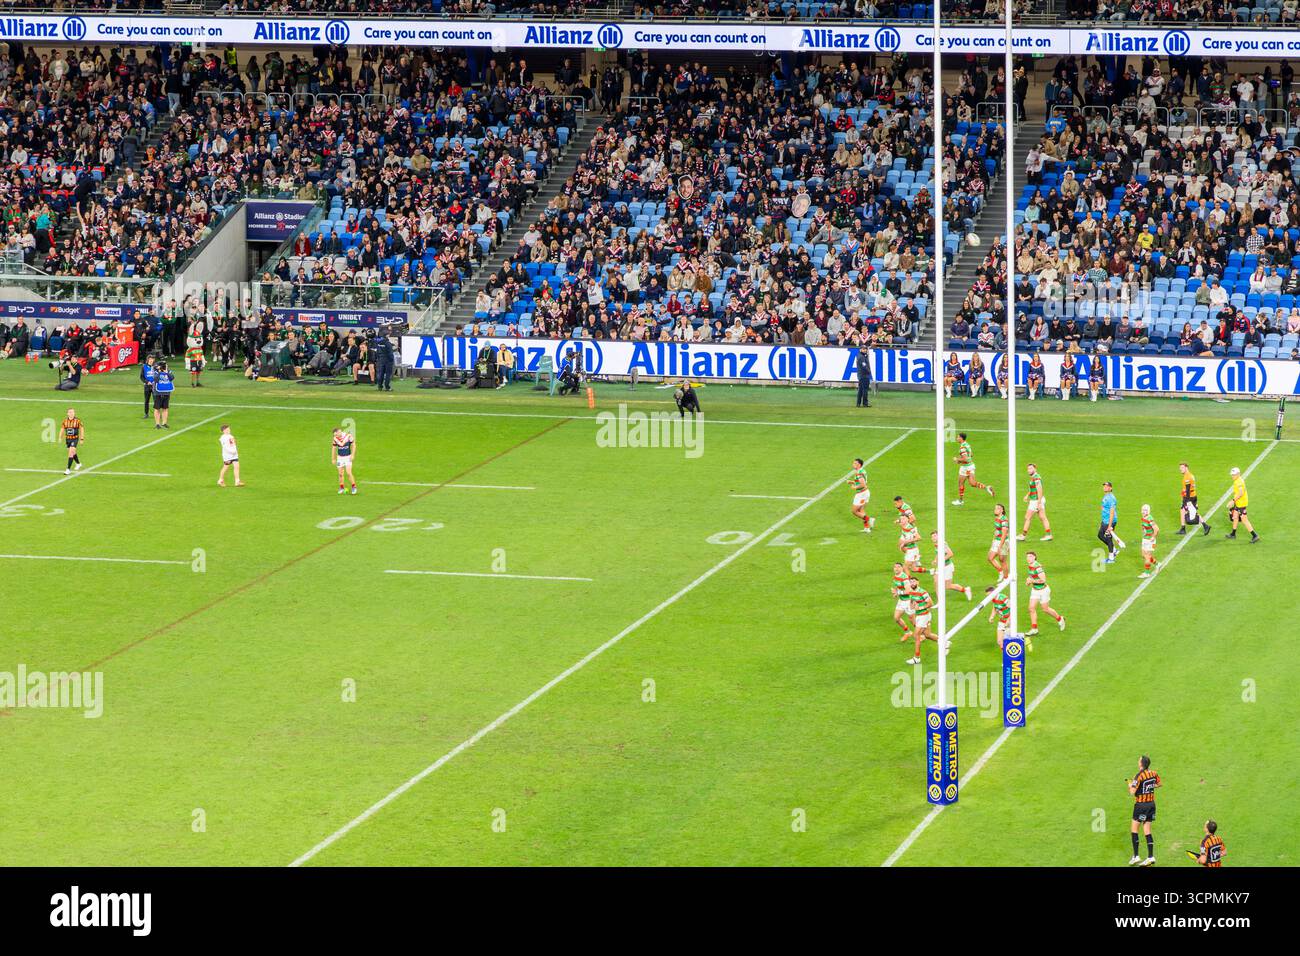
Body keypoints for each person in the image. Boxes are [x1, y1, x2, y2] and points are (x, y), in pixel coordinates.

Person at [1024, 550, 1065, 645]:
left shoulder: (1038, 567)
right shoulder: (1030, 565)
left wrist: (1031, 581)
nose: (1028, 558)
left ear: (1034, 557)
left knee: (1045, 609)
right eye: (1027, 556)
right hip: (1035, 590)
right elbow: (1031, 576)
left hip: (1043, 590)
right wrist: (1028, 580)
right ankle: (1034, 629)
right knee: (1031, 608)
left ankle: (1060, 619)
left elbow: (1043, 580)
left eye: (1030, 556)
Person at [1128, 755, 1161, 866]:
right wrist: (1149, 787)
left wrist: (1130, 785)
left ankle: (1136, 856)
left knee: (1134, 829)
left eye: (1139, 760)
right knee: (1147, 829)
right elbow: (1159, 784)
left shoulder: (1139, 776)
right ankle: (1150, 857)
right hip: (1151, 805)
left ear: (1141, 763)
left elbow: (1132, 792)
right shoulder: (1153, 773)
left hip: (1141, 806)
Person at [904, 576, 940, 665]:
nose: (912, 583)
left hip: (924, 615)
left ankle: (917, 658)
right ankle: (945, 642)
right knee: (927, 635)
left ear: (918, 582)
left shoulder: (923, 592)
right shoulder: (912, 592)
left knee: (916, 635)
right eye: (910, 582)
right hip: (919, 616)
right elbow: (912, 602)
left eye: (914, 581)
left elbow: (931, 603)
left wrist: (920, 607)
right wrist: (911, 606)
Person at [929, 530, 972, 601]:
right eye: (932, 536)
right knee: (936, 581)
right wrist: (935, 560)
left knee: (948, 586)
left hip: (947, 567)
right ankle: (939, 601)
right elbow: (938, 553)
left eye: (934, 536)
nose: (933, 538)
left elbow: (950, 554)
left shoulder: (943, 543)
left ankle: (965, 590)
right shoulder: (936, 544)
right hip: (940, 567)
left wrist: (940, 561)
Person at [952, 432, 993, 505]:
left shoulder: (962, 448)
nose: (957, 438)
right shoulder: (967, 444)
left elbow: (965, 459)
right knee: (972, 483)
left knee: (961, 483)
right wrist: (961, 460)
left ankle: (961, 501)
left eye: (958, 437)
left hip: (965, 468)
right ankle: (987, 488)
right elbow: (971, 454)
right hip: (971, 466)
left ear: (961, 438)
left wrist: (957, 459)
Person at [1019, 462, 1052, 541]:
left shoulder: (1036, 478)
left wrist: (1039, 503)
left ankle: (1023, 536)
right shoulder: (1034, 477)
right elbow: (1033, 488)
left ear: (1035, 469)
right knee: (1042, 517)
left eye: (1030, 468)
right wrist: (1028, 495)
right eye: (1028, 469)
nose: (1028, 470)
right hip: (1036, 500)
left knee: (1027, 517)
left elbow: (1040, 490)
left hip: (1036, 500)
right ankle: (1049, 535)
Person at [1225, 466, 1259, 542]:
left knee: (1244, 520)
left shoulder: (1239, 482)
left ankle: (1255, 536)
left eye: (1233, 475)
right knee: (1235, 517)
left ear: (1238, 474)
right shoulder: (1237, 480)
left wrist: (1233, 500)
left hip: (1241, 503)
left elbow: (1241, 493)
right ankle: (1233, 534)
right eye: (1232, 475)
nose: (1232, 476)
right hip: (1239, 503)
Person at [1177, 462, 1211, 536]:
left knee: (1192, 513)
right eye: (1180, 468)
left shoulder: (1187, 477)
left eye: (1182, 468)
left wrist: (1188, 500)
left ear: (1186, 468)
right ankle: (1183, 528)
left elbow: (1188, 489)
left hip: (1190, 497)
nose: (1181, 470)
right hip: (1191, 496)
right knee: (1182, 510)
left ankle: (1206, 526)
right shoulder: (1190, 475)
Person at [1099, 480, 1125, 563]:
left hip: (1110, 521)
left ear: (1111, 488)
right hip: (1105, 520)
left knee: (1108, 538)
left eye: (1107, 486)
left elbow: (1112, 512)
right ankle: (1114, 550)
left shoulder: (1111, 498)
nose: (1105, 487)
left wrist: (1110, 526)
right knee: (1100, 535)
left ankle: (1111, 558)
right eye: (1104, 486)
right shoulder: (1106, 496)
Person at [847, 457, 873, 532]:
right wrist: (852, 482)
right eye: (853, 463)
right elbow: (861, 481)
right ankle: (867, 528)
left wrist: (855, 487)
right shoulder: (862, 471)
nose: (853, 464)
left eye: (855, 463)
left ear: (859, 465)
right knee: (861, 510)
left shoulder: (859, 473)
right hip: (865, 493)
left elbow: (863, 484)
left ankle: (870, 519)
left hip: (862, 494)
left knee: (854, 511)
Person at [891, 562, 914, 643]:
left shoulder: (904, 578)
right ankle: (908, 632)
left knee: (912, 620)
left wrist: (898, 593)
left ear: (902, 568)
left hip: (909, 601)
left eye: (898, 567)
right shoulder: (895, 577)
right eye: (895, 567)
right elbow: (898, 587)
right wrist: (895, 593)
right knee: (896, 618)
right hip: (902, 600)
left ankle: (922, 635)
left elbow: (908, 591)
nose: (896, 568)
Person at [988, 502, 1010, 584]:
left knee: (1002, 560)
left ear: (1002, 510)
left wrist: (1000, 546)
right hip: (997, 540)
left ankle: (1006, 578)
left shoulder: (1004, 519)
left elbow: (1004, 534)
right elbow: (997, 531)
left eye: (997, 508)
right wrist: (993, 540)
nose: (995, 510)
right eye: (995, 508)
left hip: (1003, 542)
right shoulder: (997, 518)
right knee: (990, 558)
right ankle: (1001, 572)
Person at [332, 426, 357, 495]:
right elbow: (334, 448)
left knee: (349, 472)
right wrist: (333, 458)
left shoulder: (348, 436)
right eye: (334, 435)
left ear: (339, 431)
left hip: (348, 457)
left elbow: (354, 445)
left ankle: (354, 487)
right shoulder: (335, 439)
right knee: (340, 474)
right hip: (340, 458)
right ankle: (341, 487)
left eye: (336, 434)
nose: (335, 436)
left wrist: (352, 455)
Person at [60, 408, 84, 475]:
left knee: (70, 452)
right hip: (68, 439)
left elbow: (82, 429)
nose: (71, 413)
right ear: (67, 413)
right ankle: (78, 464)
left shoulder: (78, 421)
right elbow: (62, 429)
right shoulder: (65, 421)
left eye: (73, 412)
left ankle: (68, 469)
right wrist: (60, 437)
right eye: (70, 412)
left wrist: (82, 439)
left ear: (74, 413)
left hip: (75, 439)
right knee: (73, 452)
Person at [1138, 504, 1159, 578]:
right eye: (1143, 510)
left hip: (1150, 540)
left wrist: (1153, 537)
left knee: (1147, 556)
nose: (1144, 511)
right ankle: (1157, 564)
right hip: (1145, 539)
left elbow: (1156, 529)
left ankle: (1147, 573)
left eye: (1145, 510)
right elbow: (1144, 527)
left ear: (1148, 511)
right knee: (1144, 555)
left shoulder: (1149, 518)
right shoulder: (1143, 518)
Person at [153, 361, 175, 429]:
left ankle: (164, 423)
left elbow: (172, 378)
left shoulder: (169, 372)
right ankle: (157, 424)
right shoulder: (156, 372)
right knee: (157, 408)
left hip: (166, 392)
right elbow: (156, 379)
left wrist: (166, 372)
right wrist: (160, 372)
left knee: (165, 408)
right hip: (158, 393)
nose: (165, 366)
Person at [140, 354, 157, 418]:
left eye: (152, 359)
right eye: (150, 359)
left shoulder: (155, 367)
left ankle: (157, 414)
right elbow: (141, 377)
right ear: (148, 360)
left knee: (156, 400)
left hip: (154, 386)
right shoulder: (144, 366)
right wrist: (147, 382)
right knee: (146, 400)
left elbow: (158, 375)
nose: (151, 360)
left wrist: (154, 382)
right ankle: (146, 414)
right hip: (147, 386)